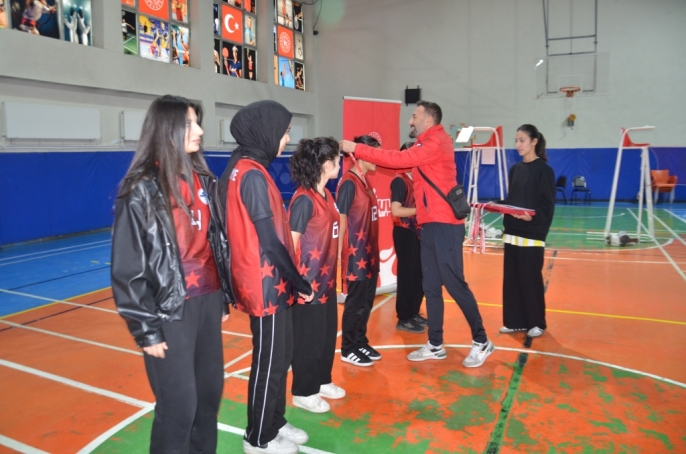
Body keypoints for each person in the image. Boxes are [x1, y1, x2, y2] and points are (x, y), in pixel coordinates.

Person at [111, 95, 233, 453]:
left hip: (207, 301)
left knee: (208, 400)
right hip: (169, 311)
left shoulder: (204, 180)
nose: (200, 131)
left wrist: (221, 298)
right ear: (167, 130)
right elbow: (128, 267)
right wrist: (145, 329)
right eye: (190, 124)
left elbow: (214, 243)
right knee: (179, 408)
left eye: (197, 122)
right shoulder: (141, 188)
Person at [340, 101, 494, 368]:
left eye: (414, 116)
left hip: (445, 225)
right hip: (430, 225)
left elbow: (398, 160)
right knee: (430, 287)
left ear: (428, 120)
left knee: (455, 285)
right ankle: (435, 344)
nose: (410, 121)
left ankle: (481, 341)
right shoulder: (425, 145)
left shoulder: (436, 143)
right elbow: (398, 165)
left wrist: (357, 148)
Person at [218, 101, 314, 454]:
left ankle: (274, 420)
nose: (287, 139)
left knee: (281, 355)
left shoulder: (250, 168)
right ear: (266, 131)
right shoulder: (251, 174)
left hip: (274, 281)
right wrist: (299, 280)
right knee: (269, 362)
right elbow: (269, 242)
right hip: (264, 285)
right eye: (285, 132)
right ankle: (258, 437)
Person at [288, 137, 345, 413]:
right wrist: (298, 281)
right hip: (308, 285)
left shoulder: (327, 195)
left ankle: (322, 381)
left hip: (327, 282)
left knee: (326, 337)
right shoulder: (304, 200)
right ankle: (303, 391)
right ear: (326, 165)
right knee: (308, 341)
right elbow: (290, 244)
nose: (340, 165)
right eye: (337, 160)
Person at [498, 124, 555, 338]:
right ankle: (514, 321)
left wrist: (532, 216)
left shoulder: (544, 171)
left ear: (534, 142)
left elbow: (547, 206)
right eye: (516, 141)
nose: (518, 145)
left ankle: (536, 322)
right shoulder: (515, 169)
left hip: (532, 234)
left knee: (530, 280)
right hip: (512, 232)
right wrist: (496, 205)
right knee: (512, 279)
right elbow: (513, 200)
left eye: (522, 140)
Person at [336, 135, 380, 367]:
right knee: (355, 303)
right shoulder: (349, 183)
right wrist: (337, 253)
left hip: (370, 253)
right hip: (356, 255)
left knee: (366, 301)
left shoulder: (365, 181)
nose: (377, 158)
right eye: (373, 153)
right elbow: (341, 219)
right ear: (360, 155)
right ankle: (348, 348)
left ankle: (360, 341)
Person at [391, 141, 427, 334]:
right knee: (407, 275)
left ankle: (413, 312)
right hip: (405, 232)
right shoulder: (400, 180)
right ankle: (404, 317)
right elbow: (396, 210)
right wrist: (422, 210)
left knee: (418, 274)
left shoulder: (418, 179)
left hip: (418, 232)